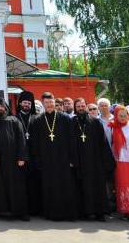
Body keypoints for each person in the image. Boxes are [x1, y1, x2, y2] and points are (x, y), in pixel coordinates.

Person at [30, 92, 77, 221]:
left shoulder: (65, 118)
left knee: (65, 186)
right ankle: (51, 213)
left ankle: (67, 213)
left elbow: (72, 140)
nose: (49, 105)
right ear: (43, 104)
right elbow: (34, 143)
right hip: (46, 160)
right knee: (48, 187)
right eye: (47, 103)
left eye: (51, 102)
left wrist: (72, 159)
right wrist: (37, 159)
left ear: (55, 103)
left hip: (63, 160)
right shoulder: (38, 120)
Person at [0, 98, 28, 220]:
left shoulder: (14, 121)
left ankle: (19, 211)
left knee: (15, 186)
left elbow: (21, 139)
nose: (0, 108)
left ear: (6, 107)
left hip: (13, 160)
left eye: (2, 106)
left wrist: (21, 157)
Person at [72, 98, 115, 221]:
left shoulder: (95, 122)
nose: (80, 108)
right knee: (81, 187)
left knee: (97, 187)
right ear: (76, 108)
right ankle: (84, 212)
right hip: (80, 161)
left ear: (85, 107)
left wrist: (106, 161)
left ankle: (99, 212)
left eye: (82, 106)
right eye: (78, 106)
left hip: (95, 161)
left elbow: (103, 143)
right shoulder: (72, 122)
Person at [14, 90, 40, 216]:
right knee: (21, 184)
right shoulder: (14, 119)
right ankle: (23, 209)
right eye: (24, 102)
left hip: (35, 157)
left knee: (34, 184)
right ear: (20, 104)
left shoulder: (37, 118)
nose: (26, 105)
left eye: (29, 103)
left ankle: (35, 209)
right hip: (21, 158)